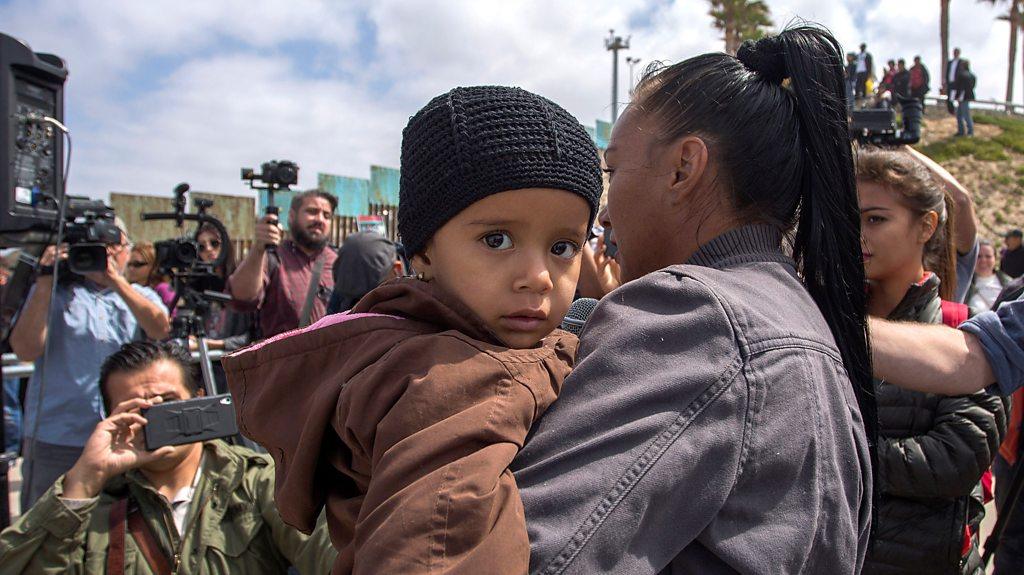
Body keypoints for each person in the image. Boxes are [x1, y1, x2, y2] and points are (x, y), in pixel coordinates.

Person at [513, 27, 874, 573]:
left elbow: (518, 555)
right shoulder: (793, 314)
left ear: (684, 167)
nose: (603, 215)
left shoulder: (696, 317)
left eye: (612, 171)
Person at [222, 85, 603, 574]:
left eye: (564, 247)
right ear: (422, 252)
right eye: (497, 238)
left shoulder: (408, 336)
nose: (539, 276)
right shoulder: (452, 382)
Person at [0, 341, 336, 573]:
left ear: (197, 399)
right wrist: (84, 481)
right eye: (139, 408)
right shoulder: (91, 503)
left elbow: (329, 555)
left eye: (169, 401)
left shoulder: (252, 481)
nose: (157, 417)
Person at [856, 147, 1006, 574]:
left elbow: (954, 460)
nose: (858, 232)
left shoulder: (964, 334)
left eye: (876, 219)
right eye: (852, 217)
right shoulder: (825, 318)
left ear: (926, 226)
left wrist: (840, 450)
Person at [8, 226, 170, 510]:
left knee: (117, 530)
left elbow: (159, 328)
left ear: (126, 251)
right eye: (95, 246)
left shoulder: (141, 295)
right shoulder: (53, 295)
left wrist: (116, 281)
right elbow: (25, 349)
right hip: (57, 436)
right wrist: (46, 278)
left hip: (125, 436)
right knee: (45, 526)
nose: (105, 253)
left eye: (113, 246)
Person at [227, 189, 338, 339]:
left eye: (326, 215)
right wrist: (259, 249)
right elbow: (241, 298)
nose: (320, 219)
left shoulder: (339, 261)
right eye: (312, 212)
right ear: (292, 216)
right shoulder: (272, 257)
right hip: (283, 359)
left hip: (333, 359)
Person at [324, 230, 403, 314]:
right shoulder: (344, 287)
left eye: (374, 294)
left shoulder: (415, 295)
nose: (364, 303)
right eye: (358, 298)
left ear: (397, 269)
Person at [124, 242, 175, 311]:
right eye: (129, 264)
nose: (131, 269)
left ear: (153, 266)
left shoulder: (163, 289)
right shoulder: (125, 288)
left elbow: (171, 316)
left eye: (137, 264)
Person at [967, 239, 1013, 312]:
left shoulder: (1010, 284)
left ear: (995, 259)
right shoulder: (964, 285)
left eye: (988, 256)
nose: (983, 260)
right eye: (979, 256)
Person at [957, 59, 977, 137]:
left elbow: (960, 87)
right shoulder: (972, 75)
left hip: (963, 97)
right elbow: (973, 86)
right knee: (960, 114)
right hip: (968, 96)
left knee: (965, 114)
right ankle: (961, 131)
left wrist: (958, 96)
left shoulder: (962, 75)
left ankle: (970, 132)